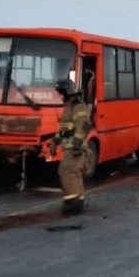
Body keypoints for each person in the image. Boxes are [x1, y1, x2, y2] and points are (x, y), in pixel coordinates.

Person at [51, 79, 92, 214]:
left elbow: (84, 126)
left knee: (66, 171)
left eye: (60, 93)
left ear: (67, 92)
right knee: (73, 172)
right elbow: (66, 129)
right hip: (69, 146)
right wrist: (55, 140)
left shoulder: (78, 106)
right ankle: (77, 201)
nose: (59, 96)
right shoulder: (69, 106)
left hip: (75, 147)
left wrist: (77, 145)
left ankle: (72, 202)